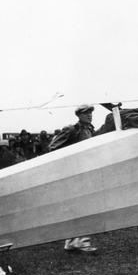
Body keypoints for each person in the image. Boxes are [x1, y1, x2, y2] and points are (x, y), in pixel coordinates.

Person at [49, 104, 98, 253]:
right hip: (74, 172)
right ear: (79, 115)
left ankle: (70, 241)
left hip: (85, 171)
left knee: (77, 207)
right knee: (83, 206)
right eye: (86, 113)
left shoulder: (90, 129)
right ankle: (83, 241)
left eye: (90, 112)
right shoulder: (72, 129)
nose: (89, 115)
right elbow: (53, 147)